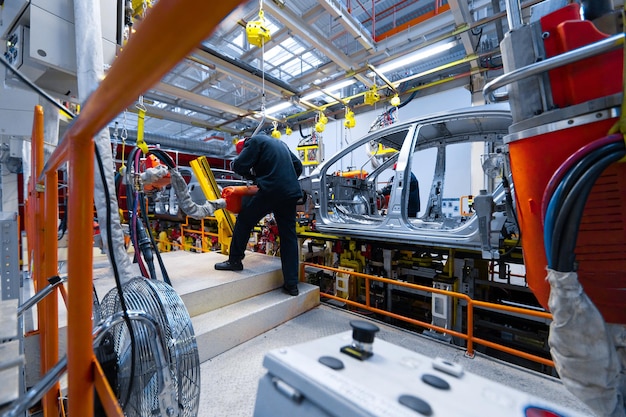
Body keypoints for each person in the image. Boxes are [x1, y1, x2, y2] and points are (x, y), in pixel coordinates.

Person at [215, 133, 304, 296]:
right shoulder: (280, 144)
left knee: (244, 220)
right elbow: (298, 166)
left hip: (270, 190)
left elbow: (239, 166)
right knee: (289, 236)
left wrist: (255, 177)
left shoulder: (254, 142)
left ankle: (235, 261)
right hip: (290, 192)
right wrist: (283, 181)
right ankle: (292, 285)